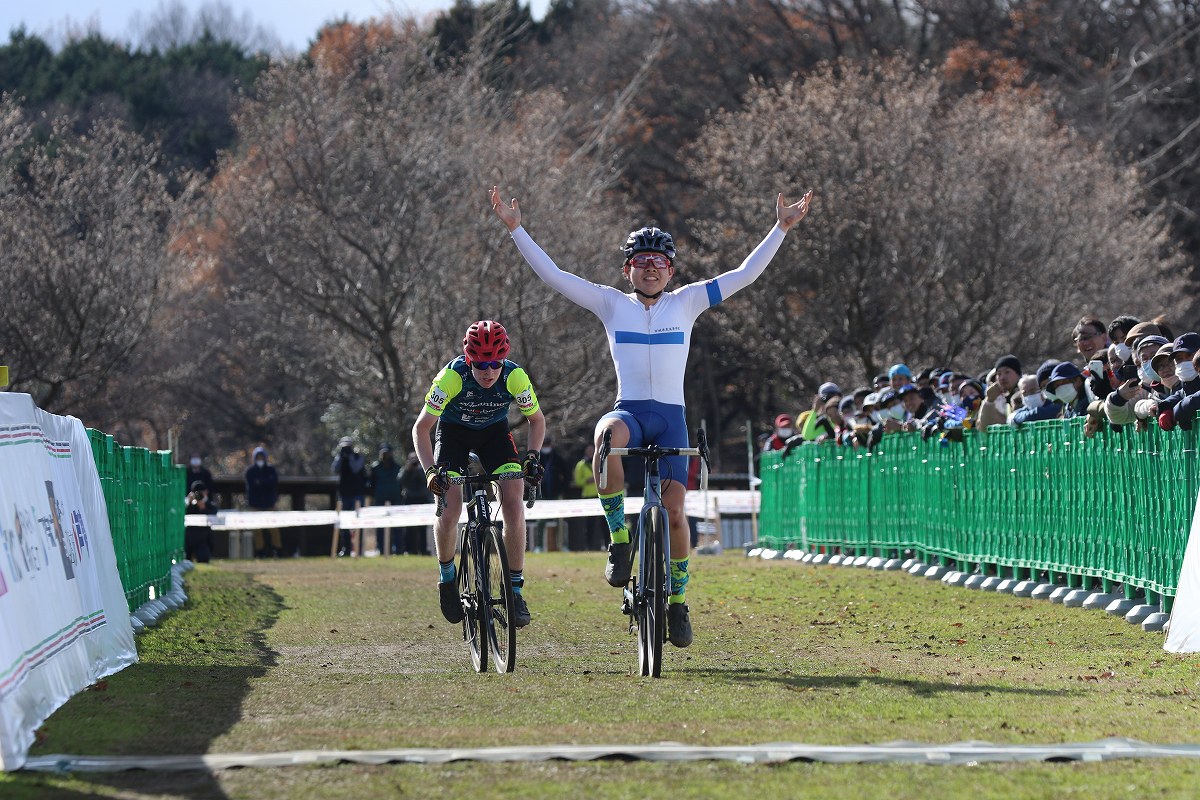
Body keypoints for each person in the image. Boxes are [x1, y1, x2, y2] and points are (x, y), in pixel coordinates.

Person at [491, 183, 813, 649]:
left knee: (677, 514)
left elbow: (744, 274)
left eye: (659, 263)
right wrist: (517, 230)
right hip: (630, 413)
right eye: (641, 263)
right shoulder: (611, 303)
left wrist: (780, 228)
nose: (650, 270)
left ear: (671, 270)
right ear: (627, 270)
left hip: (671, 418)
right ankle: (620, 540)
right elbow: (556, 276)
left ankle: (678, 601)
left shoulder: (687, 301)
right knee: (606, 434)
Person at [412, 319, 546, 628]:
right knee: (450, 509)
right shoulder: (451, 378)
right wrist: (430, 471)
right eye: (481, 364)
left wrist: (533, 458)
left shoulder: (514, 377)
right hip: (453, 435)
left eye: (495, 363)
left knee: (513, 500)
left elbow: (536, 420)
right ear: (469, 360)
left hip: (494, 436)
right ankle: (447, 580)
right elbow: (421, 430)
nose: (488, 371)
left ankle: (514, 590)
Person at [332, 436, 371, 556]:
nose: (346, 449)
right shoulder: (340, 457)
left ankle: (358, 549)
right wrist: (340, 457)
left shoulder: (358, 457)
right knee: (344, 523)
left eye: (348, 447)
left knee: (357, 522)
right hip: (344, 494)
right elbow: (334, 469)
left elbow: (355, 469)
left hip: (357, 494)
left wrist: (349, 458)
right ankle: (346, 549)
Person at [244, 446, 281, 558]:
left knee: (274, 528)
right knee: (257, 529)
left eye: (262, 457)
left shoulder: (271, 470)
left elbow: (273, 484)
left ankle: (277, 550)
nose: (260, 459)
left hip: (270, 504)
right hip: (255, 505)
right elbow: (251, 487)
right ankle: (260, 551)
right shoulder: (250, 471)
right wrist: (265, 483)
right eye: (258, 457)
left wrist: (261, 482)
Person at [398, 451, 433, 554]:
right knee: (409, 527)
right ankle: (410, 550)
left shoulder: (424, 469)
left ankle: (423, 549)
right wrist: (408, 470)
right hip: (409, 499)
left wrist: (418, 470)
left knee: (423, 527)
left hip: (422, 499)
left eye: (416, 459)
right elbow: (400, 480)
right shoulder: (405, 469)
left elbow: (427, 481)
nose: (414, 462)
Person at [571, 443, 605, 550]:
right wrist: (587, 481)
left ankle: (605, 544)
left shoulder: (601, 462)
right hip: (588, 496)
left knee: (604, 523)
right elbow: (577, 481)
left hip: (600, 495)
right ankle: (589, 546)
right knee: (590, 523)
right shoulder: (581, 465)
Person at [371, 443, 404, 554]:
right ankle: (381, 549)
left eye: (387, 453)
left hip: (395, 498)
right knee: (380, 525)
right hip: (380, 498)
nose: (385, 455)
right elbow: (372, 483)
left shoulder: (398, 467)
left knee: (397, 526)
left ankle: (398, 550)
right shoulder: (375, 468)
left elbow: (401, 484)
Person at [184, 480, 217, 563]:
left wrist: (203, 507)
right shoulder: (190, 504)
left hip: (203, 538)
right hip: (189, 537)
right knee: (185, 560)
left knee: (204, 559)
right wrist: (189, 502)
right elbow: (183, 513)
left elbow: (213, 515)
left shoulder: (210, 505)